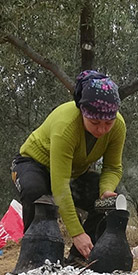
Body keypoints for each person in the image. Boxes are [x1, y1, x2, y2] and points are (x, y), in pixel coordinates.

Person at [12, 70, 125, 259]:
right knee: (35, 193)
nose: (102, 129)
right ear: (82, 112)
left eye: (108, 123)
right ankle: (36, 256)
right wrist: (76, 233)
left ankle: (78, 259)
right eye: (95, 122)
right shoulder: (66, 127)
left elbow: (113, 168)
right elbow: (60, 186)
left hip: (72, 174)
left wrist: (106, 189)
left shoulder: (119, 127)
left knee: (109, 203)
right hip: (33, 164)